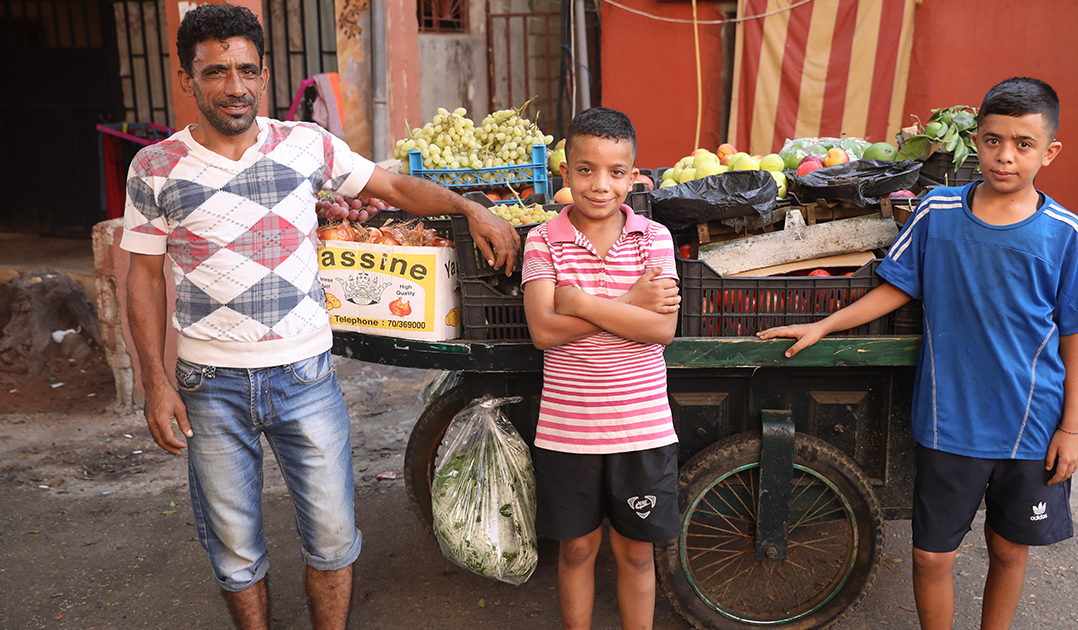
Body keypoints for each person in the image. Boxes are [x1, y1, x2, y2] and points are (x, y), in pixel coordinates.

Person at [120, 5, 518, 629]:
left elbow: (392, 188)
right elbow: (141, 279)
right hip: (208, 384)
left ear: (265, 75)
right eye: (216, 71)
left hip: (305, 378)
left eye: (247, 70)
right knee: (233, 550)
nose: (234, 86)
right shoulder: (154, 168)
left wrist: (472, 209)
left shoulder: (306, 145)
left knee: (333, 538)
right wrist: (155, 381)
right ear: (186, 80)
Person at [757, 77, 1078, 630]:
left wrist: (1073, 428)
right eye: (994, 140)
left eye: (1024, 143)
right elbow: (898, 285)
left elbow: (1075, 334)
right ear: (976, 140)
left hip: (1031, 424)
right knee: (930, 556)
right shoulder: (937, 211)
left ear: (1050, 152)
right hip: (949, 422)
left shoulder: (1066, 234)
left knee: (1008, 548)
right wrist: (824, 325)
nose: (1005, 155)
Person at [521, 107, 682, 629]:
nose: (600, 185)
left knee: (637, 553)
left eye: (616, 172)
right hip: (569, 432)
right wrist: (630, 303)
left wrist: (582, 302)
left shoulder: (654, 238)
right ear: (564, 173)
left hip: (642, 428)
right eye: (585, 169)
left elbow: (660, 330)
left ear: (634, 177)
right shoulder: (542, 241)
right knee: (576, 551)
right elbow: (544, 332)